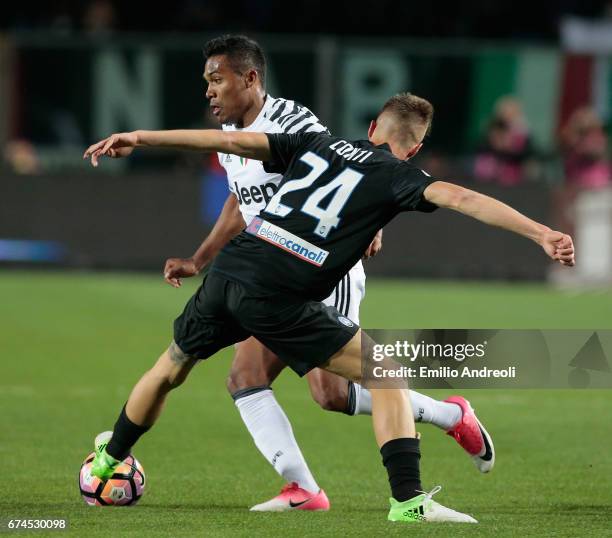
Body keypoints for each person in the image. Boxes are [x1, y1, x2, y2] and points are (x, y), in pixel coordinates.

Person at [83, 92, 575, 524]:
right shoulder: (399, 175)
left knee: (170, 367)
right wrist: (541, 233)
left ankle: (110, 459)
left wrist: (140, 137)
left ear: (370, 129)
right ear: (416, 148)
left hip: (230, 274)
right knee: (381, 374)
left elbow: (230, 143)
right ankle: (408, 500)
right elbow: (463, 198)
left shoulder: (315, 142)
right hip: (281, 292)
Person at [160, 35, 494, 512]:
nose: (209, 91)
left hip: (318, 270)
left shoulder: (291, 120)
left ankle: (446, 417)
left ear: (249, 79)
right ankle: (303, 488)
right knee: (246, 375)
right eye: (207, 82)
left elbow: (341, 174)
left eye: (217, 80)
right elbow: (243, 198)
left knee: (332, 393)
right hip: (269, 273)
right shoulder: (232, 139)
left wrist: (370, 225)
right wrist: (200, 257)